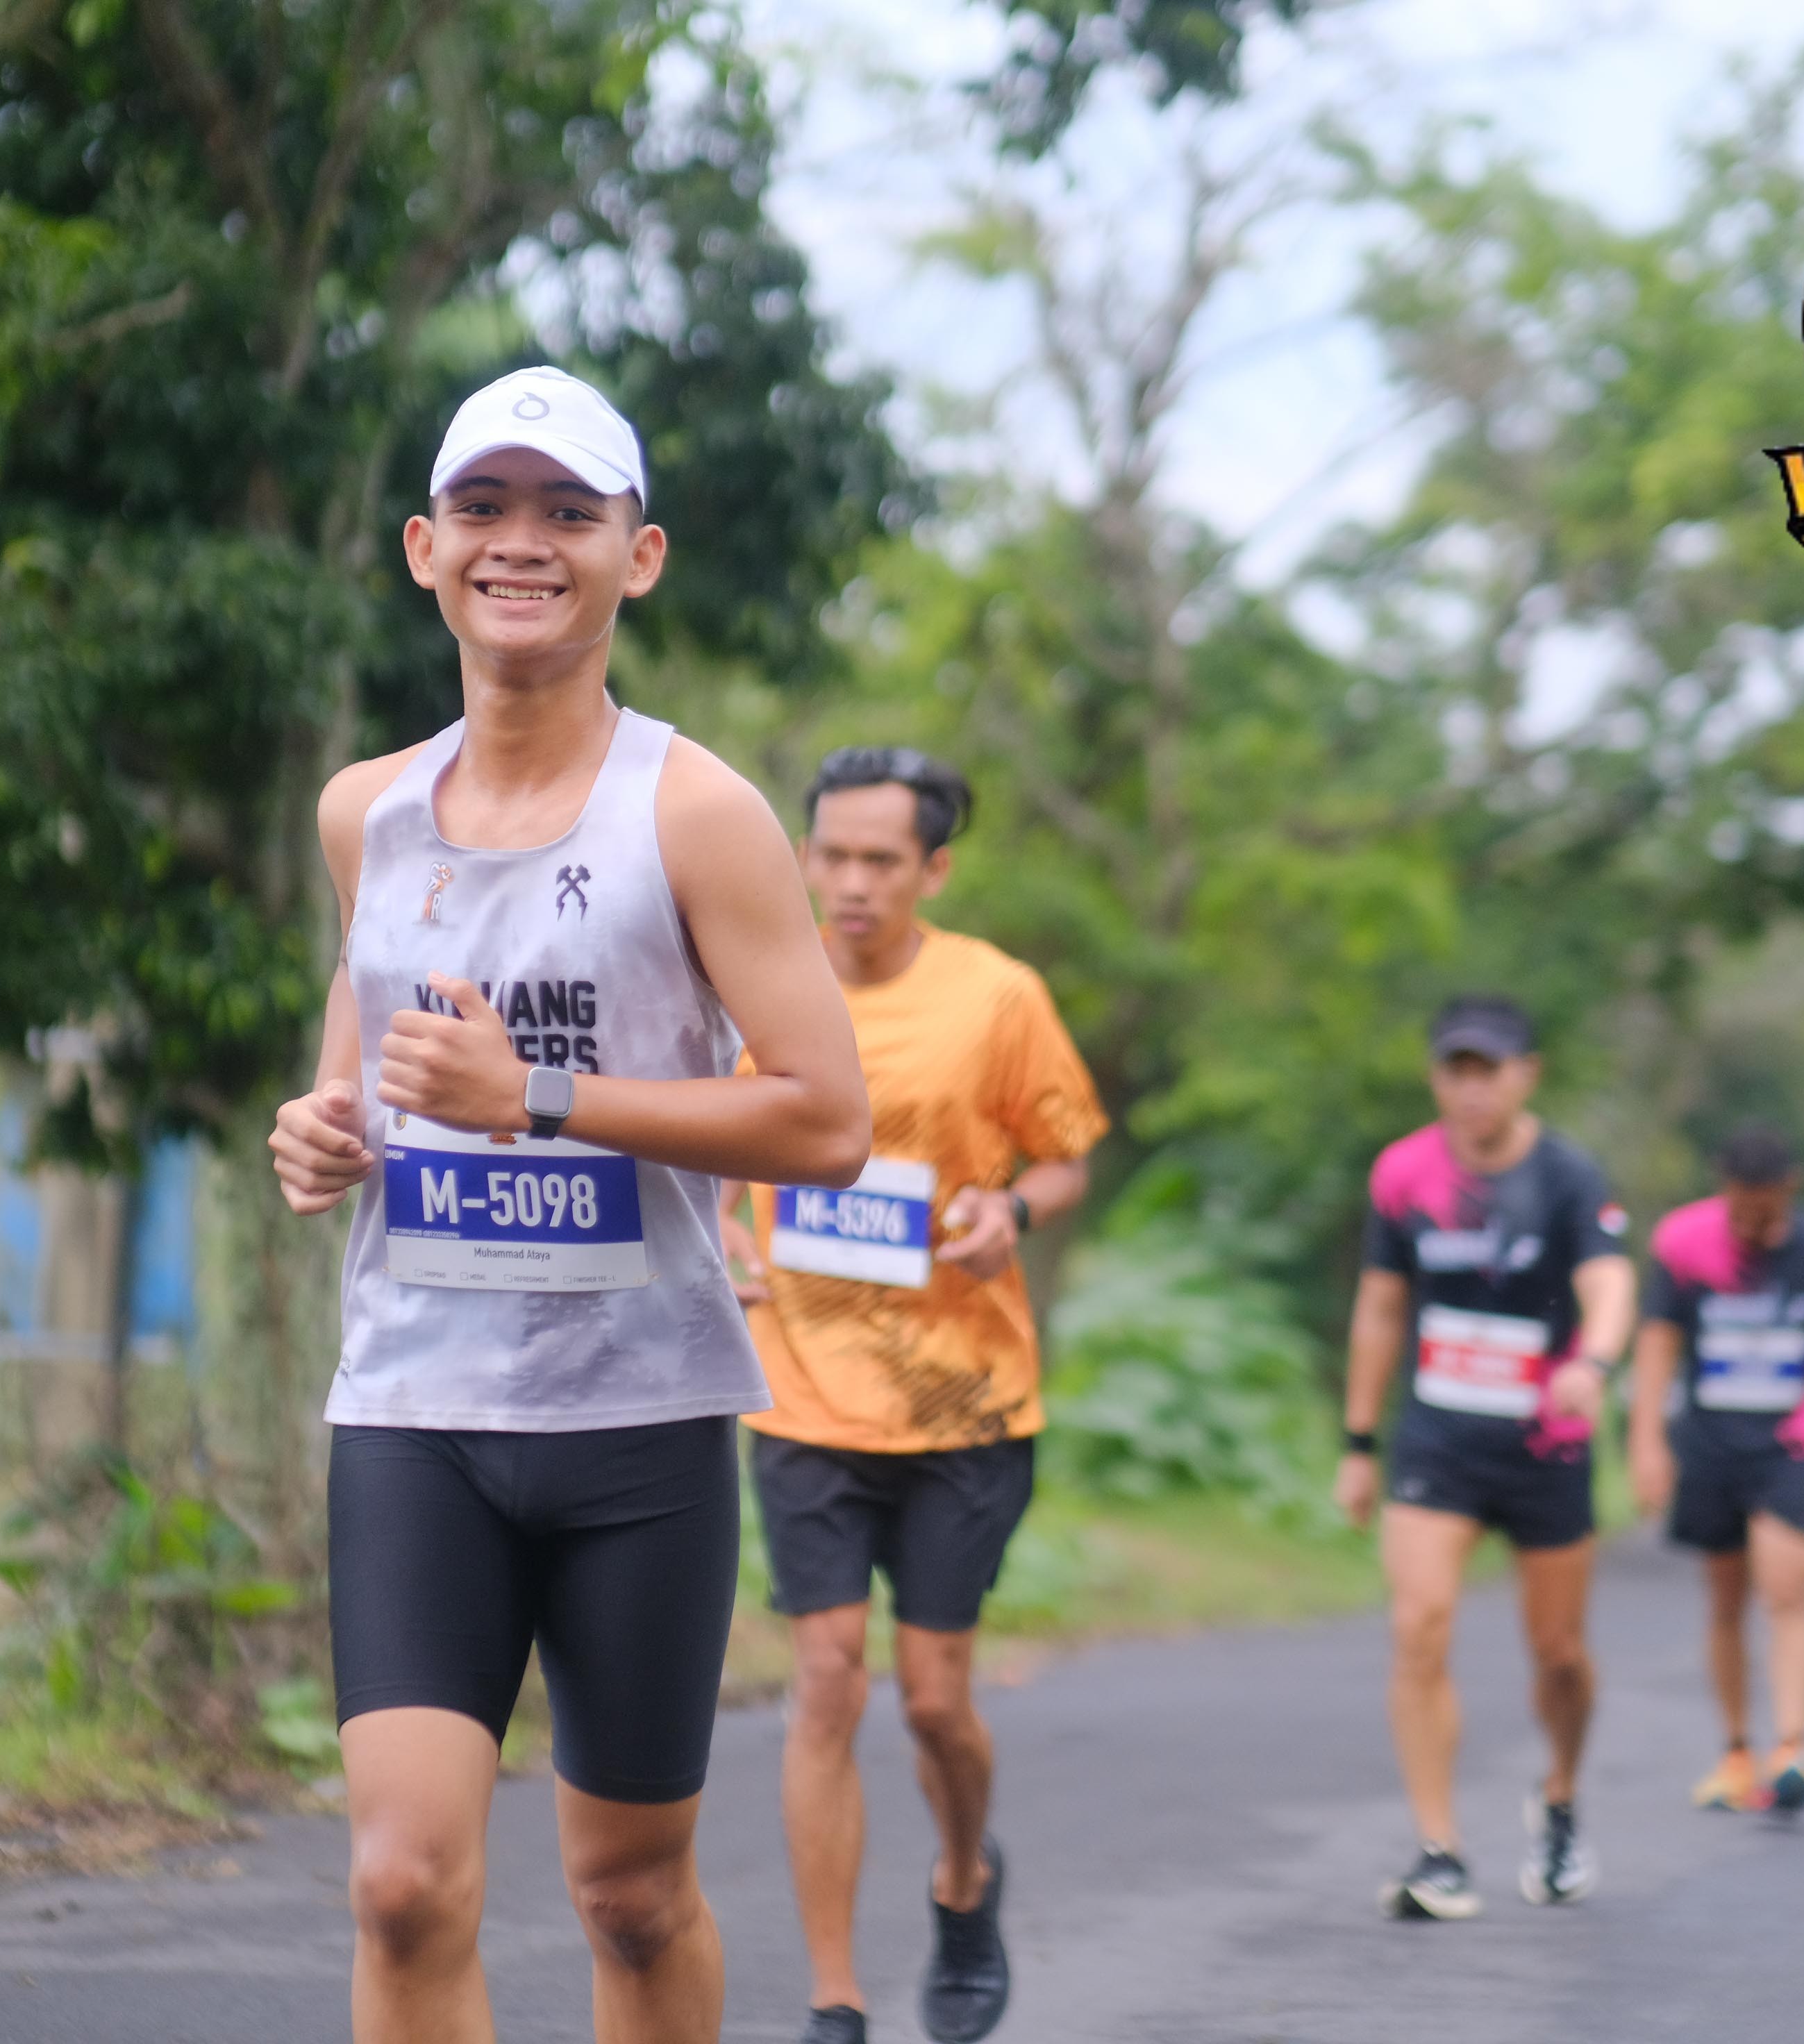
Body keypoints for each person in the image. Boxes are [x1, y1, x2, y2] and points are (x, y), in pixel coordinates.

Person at [267, 365, 872, 2044]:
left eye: (566, 512)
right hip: (417, 1409)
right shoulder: (364, 811)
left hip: (637, 1422)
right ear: (423, 548)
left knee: (630, 1894)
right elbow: (366, 1054)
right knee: (402, 1880)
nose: (518, 542)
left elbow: (828, 1117)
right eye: (482, 508)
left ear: (638, 555)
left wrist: (534, 1095)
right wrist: (322, 1131)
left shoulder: (698, 812)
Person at [717, 746, 1107, 2044]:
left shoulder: (997, 995)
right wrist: (721, 1232)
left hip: (962, 1403)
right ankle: (835, 1996)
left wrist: (1012, 1212)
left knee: (936, 1699)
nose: (851, 882)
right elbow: (701, 1146)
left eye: (881, 860)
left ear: (933, 869)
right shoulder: (750, 982)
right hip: (803, 1396)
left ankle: (963, 1876)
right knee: (828, 1678)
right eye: (831, 854)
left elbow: (1063, 1158)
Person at [1334, 994, 1637, 1921]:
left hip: (1547, 1444)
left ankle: (1560, 1797)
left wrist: (1594, 1361)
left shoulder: (1567, 1175)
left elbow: (1610, 1281)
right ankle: (1441, 1851)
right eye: (1455, 1070)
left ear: (1526, 1076)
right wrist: (1358, 1443)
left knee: (1560, 1654)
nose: (1472, 1089)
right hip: (1440, 1440)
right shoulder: (1404, 1174)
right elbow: (1382, 1308)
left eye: (1490, 1070)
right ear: (1437, 1078)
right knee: (1419, 1626)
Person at [1629, 1123, 1804, 1818]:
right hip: (1710, 1440)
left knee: (1788, 1589)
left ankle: (1791, 1747)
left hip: (1792, 1441)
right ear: (1723, 1186)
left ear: (1791, 1188)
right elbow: (1657, 1341)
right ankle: (1736, 1752)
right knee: (1725, 1599)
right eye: (1739, 1204)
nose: (1750, 1219)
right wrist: (1646, 1441)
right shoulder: (1686, 1244)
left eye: (1764, 1206)